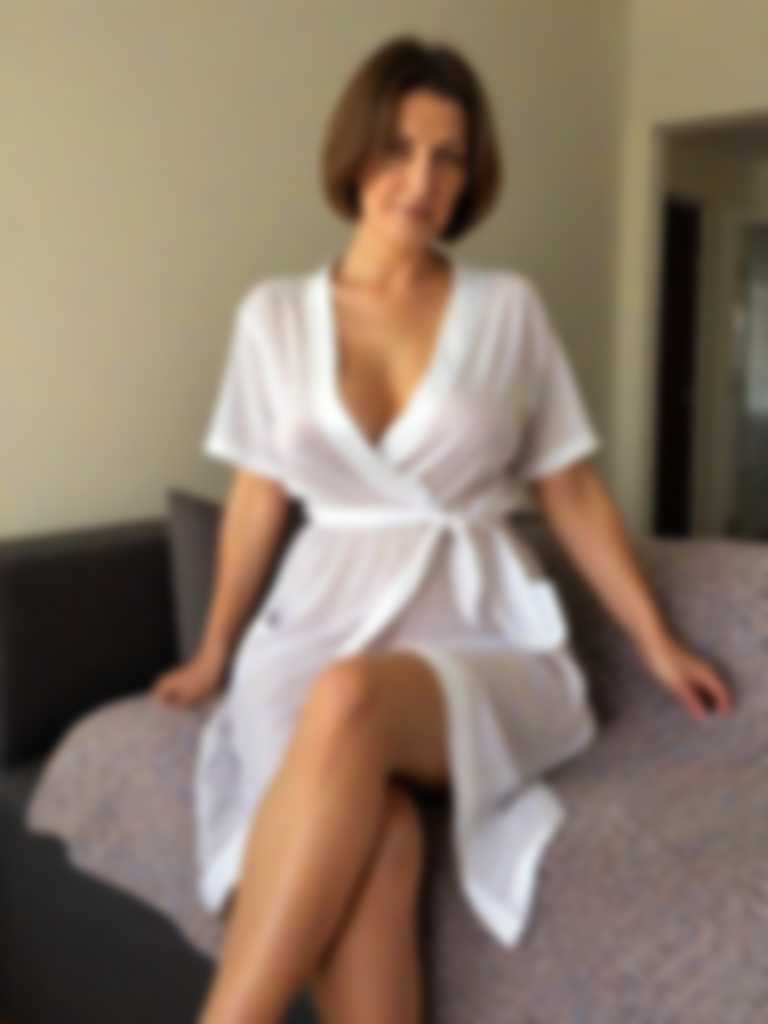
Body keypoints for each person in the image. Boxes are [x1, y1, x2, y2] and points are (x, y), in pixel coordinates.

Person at [150, 33, 734, 1024]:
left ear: (471, 175)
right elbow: (257, 495)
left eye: (447, 157)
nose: (420, 181)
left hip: (478, 632)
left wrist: (655, 639)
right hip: (319, 620)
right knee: (379, 837)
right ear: (355, 151)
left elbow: (569, 489)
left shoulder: (507, 310)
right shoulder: (273, 318)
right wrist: (213, 653)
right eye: (398, 148)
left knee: (348, 699)